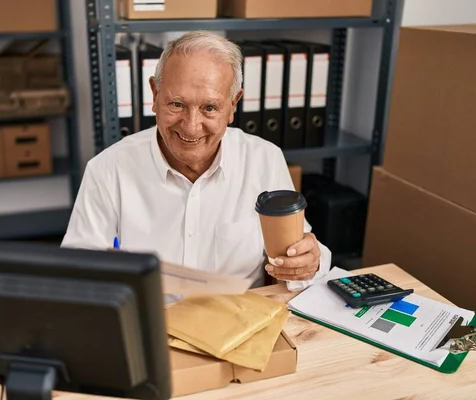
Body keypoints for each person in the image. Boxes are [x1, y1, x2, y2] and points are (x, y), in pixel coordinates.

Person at [61, 31, 332, 291]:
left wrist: (308, 261)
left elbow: (298, 251)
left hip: (239, 322)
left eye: (209, 108)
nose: (191, 127)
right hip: (152, 323)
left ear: (233, 105)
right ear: (155, 96)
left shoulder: (264, 159)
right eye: (177, 104)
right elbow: (78, 271)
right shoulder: (107, 169)